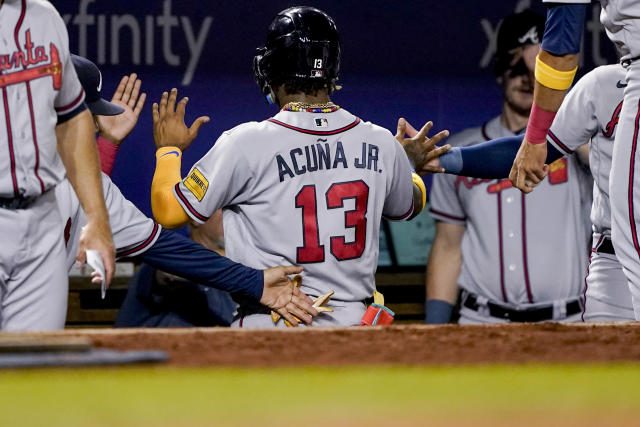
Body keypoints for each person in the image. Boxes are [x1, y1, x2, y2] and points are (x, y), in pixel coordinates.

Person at [149, 6, 449, 327]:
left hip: (272, 323)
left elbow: (169, 212)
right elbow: (411, 204)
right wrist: (408, 164)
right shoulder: (380, 142)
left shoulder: (245, 142)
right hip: (356, 327)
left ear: (273, 67)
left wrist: (168, 150)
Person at [56, 55, 319, 327]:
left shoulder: (85, 184)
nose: (95, 126)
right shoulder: (14, 179)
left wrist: (255, 282)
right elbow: (166, 263)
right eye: (90, 116)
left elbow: (164, 247)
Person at [424, 10, 592, 324]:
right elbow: (448, 246)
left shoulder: (576, 144)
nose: (528, 80)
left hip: (565, 322)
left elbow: (602, 161)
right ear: (500, 72)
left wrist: (552, 78)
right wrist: (434, 327)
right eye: (517, 69)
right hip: (482, 320)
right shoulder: (463, 150)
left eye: (537, 72)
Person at [506, 1, 640, 318]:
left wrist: (535, 135)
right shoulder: (601, 85)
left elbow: (561, 49)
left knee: (634, 238)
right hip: (607, 273)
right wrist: (450, 159)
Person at [0, 0, 114, 330]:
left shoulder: (45, 16)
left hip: (41, 221)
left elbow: (72, 118)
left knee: (37, 367)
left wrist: (96, 218)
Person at [115, 216, 237, 327]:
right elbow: (169, 272)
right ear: (197, 218)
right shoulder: (165, 257)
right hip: (152, 347)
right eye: (226, 207)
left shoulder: (235, 274)